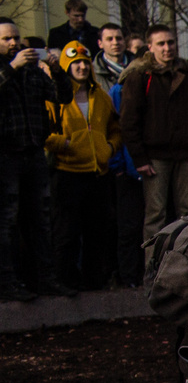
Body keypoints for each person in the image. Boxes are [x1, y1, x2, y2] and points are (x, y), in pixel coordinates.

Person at [121, 25, 188, 256]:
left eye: (170, 42)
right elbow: (129, 121)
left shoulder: (186, 73)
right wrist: (139, 157)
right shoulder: (140, 76)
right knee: (155, 215)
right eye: (161, 43)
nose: (167, 48)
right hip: (155, 156)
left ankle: (187, 261)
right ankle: (153, 268)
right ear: (150, 47)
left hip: (185, 152)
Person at [43, 40, 115, 291]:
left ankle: (95, 282)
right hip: (67, 174)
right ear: (65, 67)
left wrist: (110, 148)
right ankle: (66, 281)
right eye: (75, 63)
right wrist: (64, 143)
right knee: (66, 234)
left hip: (97, 175)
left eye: (85, 62)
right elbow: (43, 133)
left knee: (97, 232)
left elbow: (115, 129)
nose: (82, 67)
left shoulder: (103, 98)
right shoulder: (54, 97)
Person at [0, 17, 56, 298]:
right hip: (6, 156)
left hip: (34, 152)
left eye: (16, 37)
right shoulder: (10, 69)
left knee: (41, 219)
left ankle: (44, 279)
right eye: (6, 39)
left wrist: (55, 70)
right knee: (7, 222)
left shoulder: (31, 70)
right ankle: (8, 284)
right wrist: (11, 69)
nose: (13, 43)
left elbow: (62, 97)